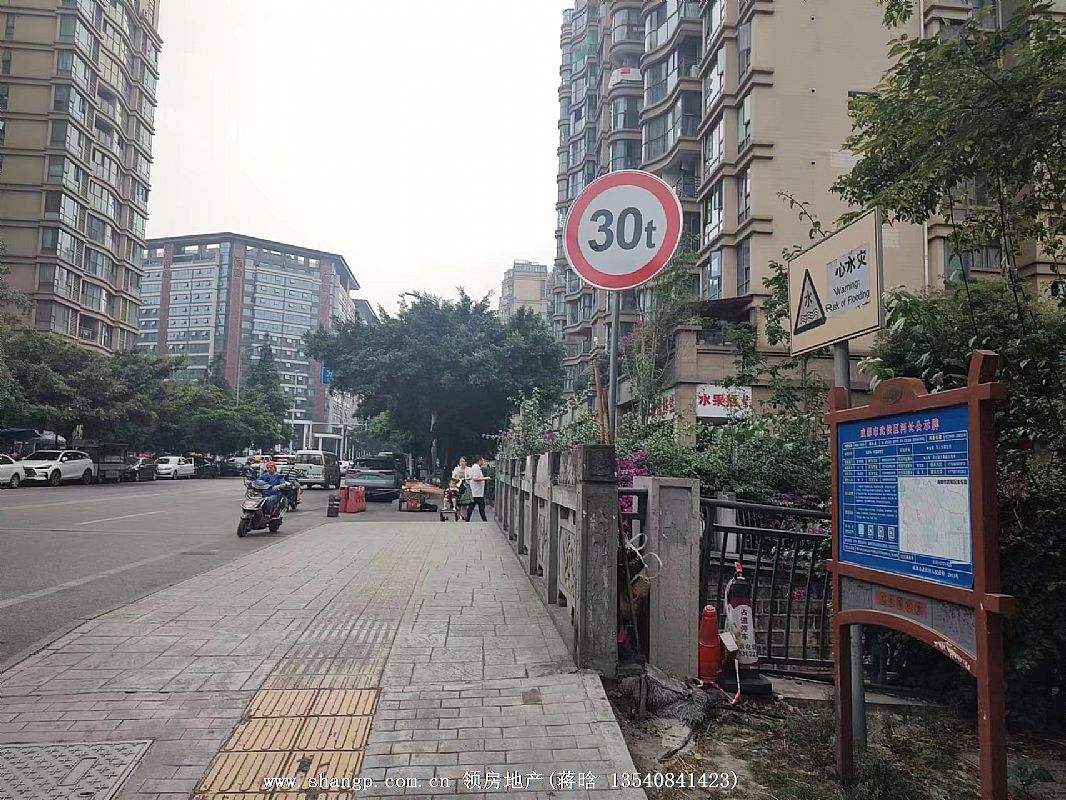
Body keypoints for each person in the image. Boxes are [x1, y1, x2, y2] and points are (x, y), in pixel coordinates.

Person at [464, 455, 488, 522]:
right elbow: (475, 478)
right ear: (479, 460)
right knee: (479, 507)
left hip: (477, 491)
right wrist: (485, 478)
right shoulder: (476, 467)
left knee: (473, 507)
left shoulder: (475, 467)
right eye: (482, 460)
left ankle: (468, 519)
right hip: (476, 492)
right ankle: (484, 520)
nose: (483, 462)